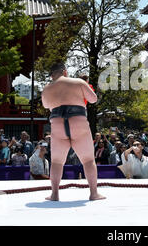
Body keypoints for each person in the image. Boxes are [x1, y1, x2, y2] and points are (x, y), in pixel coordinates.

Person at [41, 62, 105, 201]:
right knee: (88, 160)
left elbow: (46, 105)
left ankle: (54, 194)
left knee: (57, 162)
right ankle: (94, 193)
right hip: (78, 123)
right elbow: (93, 99)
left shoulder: (46, 88)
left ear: (52, 75)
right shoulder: (78, 82)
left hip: (57, 125)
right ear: (65, 71)